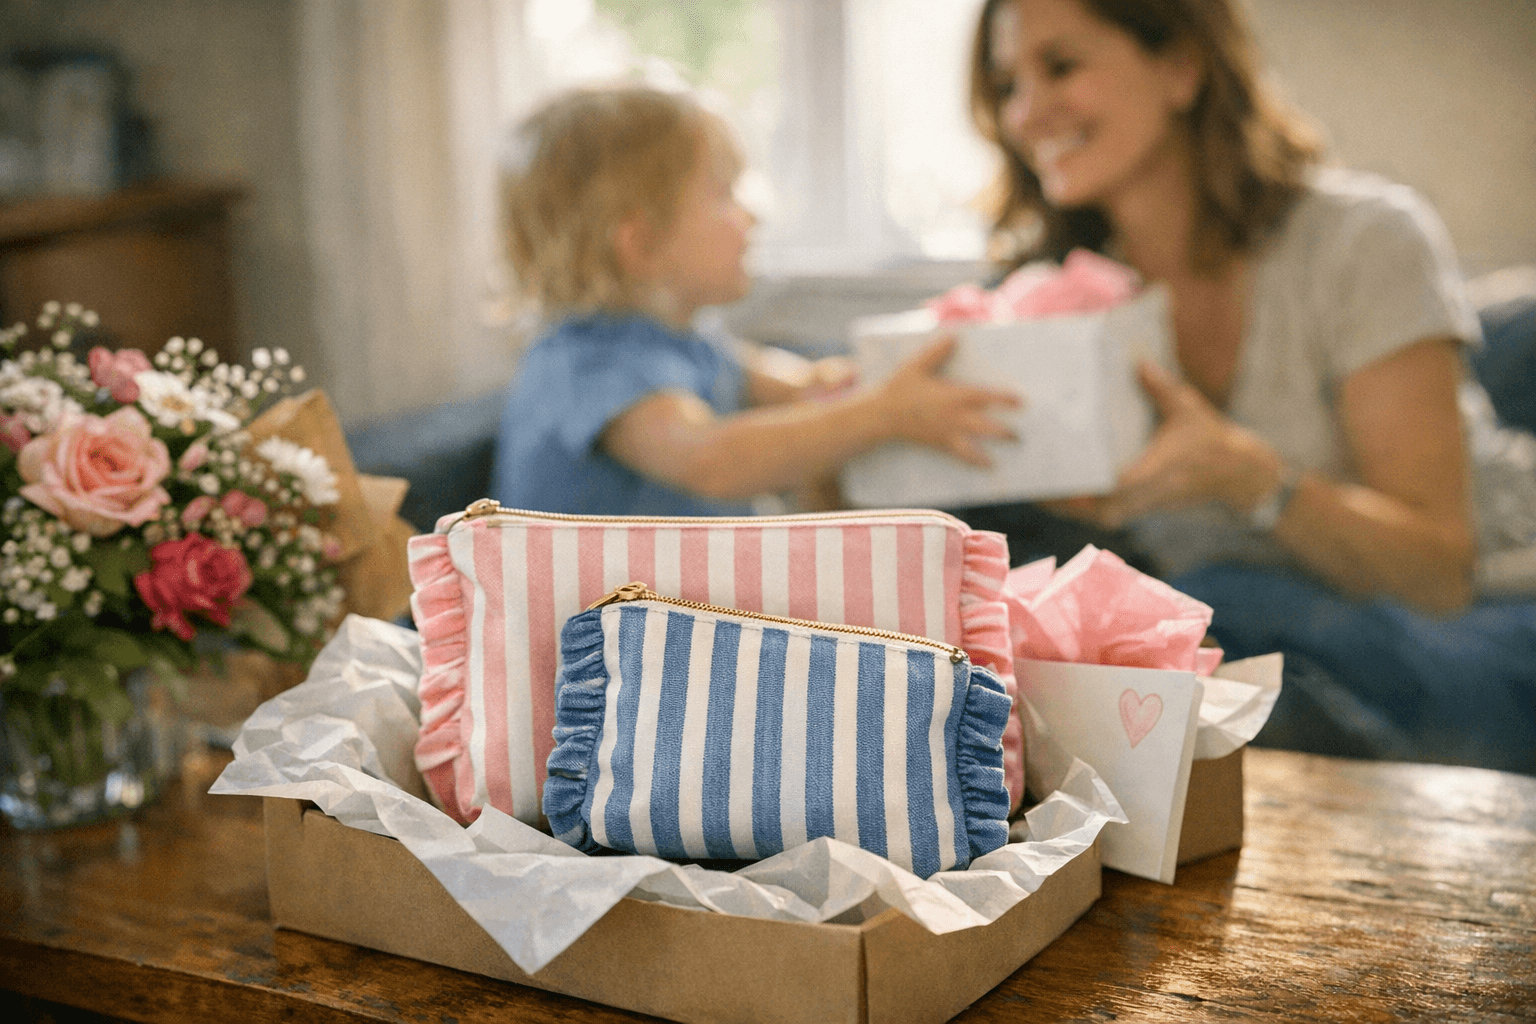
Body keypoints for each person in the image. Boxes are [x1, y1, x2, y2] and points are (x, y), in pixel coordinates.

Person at [965, 0, 1536, 773]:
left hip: (1481, 604)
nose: (1027, 113)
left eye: (1061, 67)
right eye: (1007, 86)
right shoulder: (1058, 303)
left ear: (1180, 67)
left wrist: (1247, 475)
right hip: (1268, 632)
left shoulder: (1363, 241)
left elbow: (1437, 571)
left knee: (1210, 639)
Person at [489, 84, 1019, 518]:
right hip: (582, 638)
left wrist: (853, 386)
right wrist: (879, 414)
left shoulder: (692, 342)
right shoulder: (585, 365)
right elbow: (709, 458)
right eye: (724, 195)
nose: (752, 217)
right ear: (642, 244)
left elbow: (798, 388)